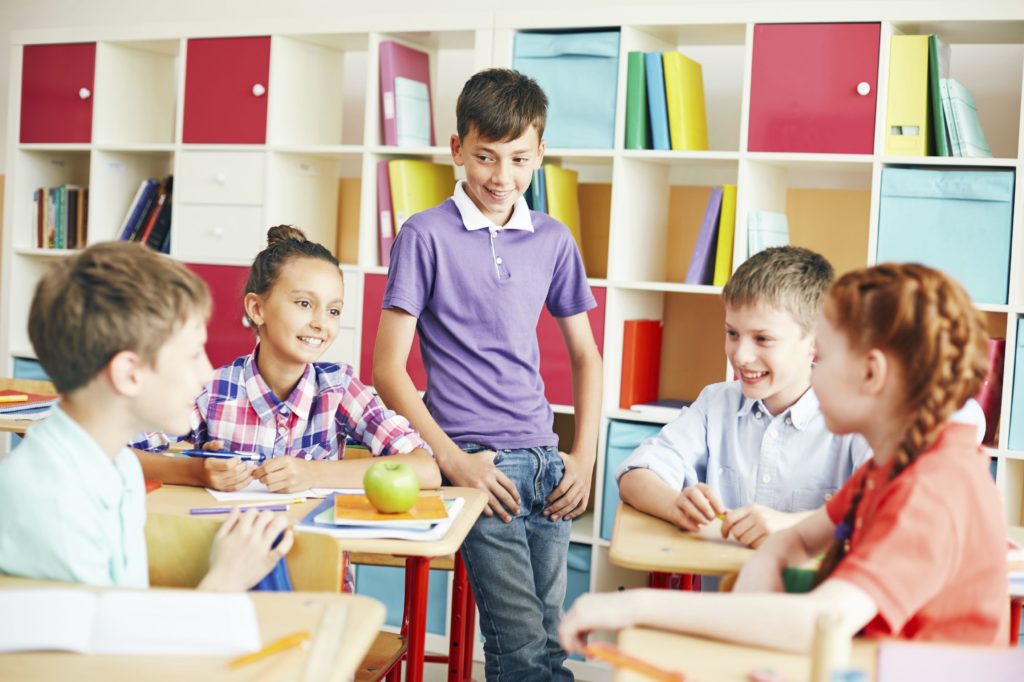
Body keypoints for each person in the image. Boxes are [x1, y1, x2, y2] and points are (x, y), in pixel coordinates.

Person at [560, 262, 1009, 651]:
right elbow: (795, 541)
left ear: (871, 373)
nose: (815, 373)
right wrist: (762, 578)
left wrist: (634, 607)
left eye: (824, 357)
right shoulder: (892, 463)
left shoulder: (932, 487)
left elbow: (820, 622)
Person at [373, 68, 603, 680]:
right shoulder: (424, 235)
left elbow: (587, 355)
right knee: (520, 647)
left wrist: (583, 458)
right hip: (478, 466)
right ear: (457, 149)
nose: (502, 177)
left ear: (540, 153)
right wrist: (454, 461)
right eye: (485, 157)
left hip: (548, 465)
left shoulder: (554, 239)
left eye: (519, 159)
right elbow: (388, 370)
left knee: (549, 644)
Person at [0, 241, 291, 591]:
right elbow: (105, 627)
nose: (207, 373)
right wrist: (225, 579)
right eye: (193, 355)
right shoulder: (51, 500)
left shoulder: (118, 464)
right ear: (129, 373)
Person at [133, 225, 440, 496]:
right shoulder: (213, 390)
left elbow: (425, 468)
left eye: (333, 310)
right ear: (257, 309)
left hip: (314, 542)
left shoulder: (338, 389)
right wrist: (196, 472)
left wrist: (313, 474)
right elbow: (119, 451)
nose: (321, 323)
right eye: (304, 303)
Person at [617, 246, 870, 547]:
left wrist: (792, 526)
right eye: (732, 333)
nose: (741, 355)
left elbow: (887, 504)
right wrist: (676, 505)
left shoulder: (858, 418)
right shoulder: (715, 404)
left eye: (763, 339)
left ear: (816, 342)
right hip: (724, 577)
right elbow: (635, 475)